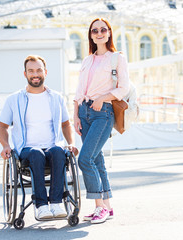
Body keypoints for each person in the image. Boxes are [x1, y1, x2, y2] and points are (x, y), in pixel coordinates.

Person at [0, 55, 78, 220]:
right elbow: (2, 127)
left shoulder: (56, 98)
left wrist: (70, 143)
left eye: (39, 70)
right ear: (25, 74)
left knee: (57, 151)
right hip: (27, 150)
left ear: (45, 72)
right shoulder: (14, 99)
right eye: (31, 71)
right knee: (35, 153)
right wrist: (5, 145)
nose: (35, 74)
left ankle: (56, 203)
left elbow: (65, 124)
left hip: (51, 147)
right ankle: (41, 206)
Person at [73, 18, 129, 224]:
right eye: (94, 30)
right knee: (97, 160)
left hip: (103, 113)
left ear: (109, 33)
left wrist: (102, 98)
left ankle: (99, 207)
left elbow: (124, 88)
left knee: (85, 159)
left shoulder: (117, 58)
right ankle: (108, 206)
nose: (99, 33)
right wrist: (76, 114)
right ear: (90, 34)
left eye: (103, 29)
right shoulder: (87, 60)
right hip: (85, 113)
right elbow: (79, 90)